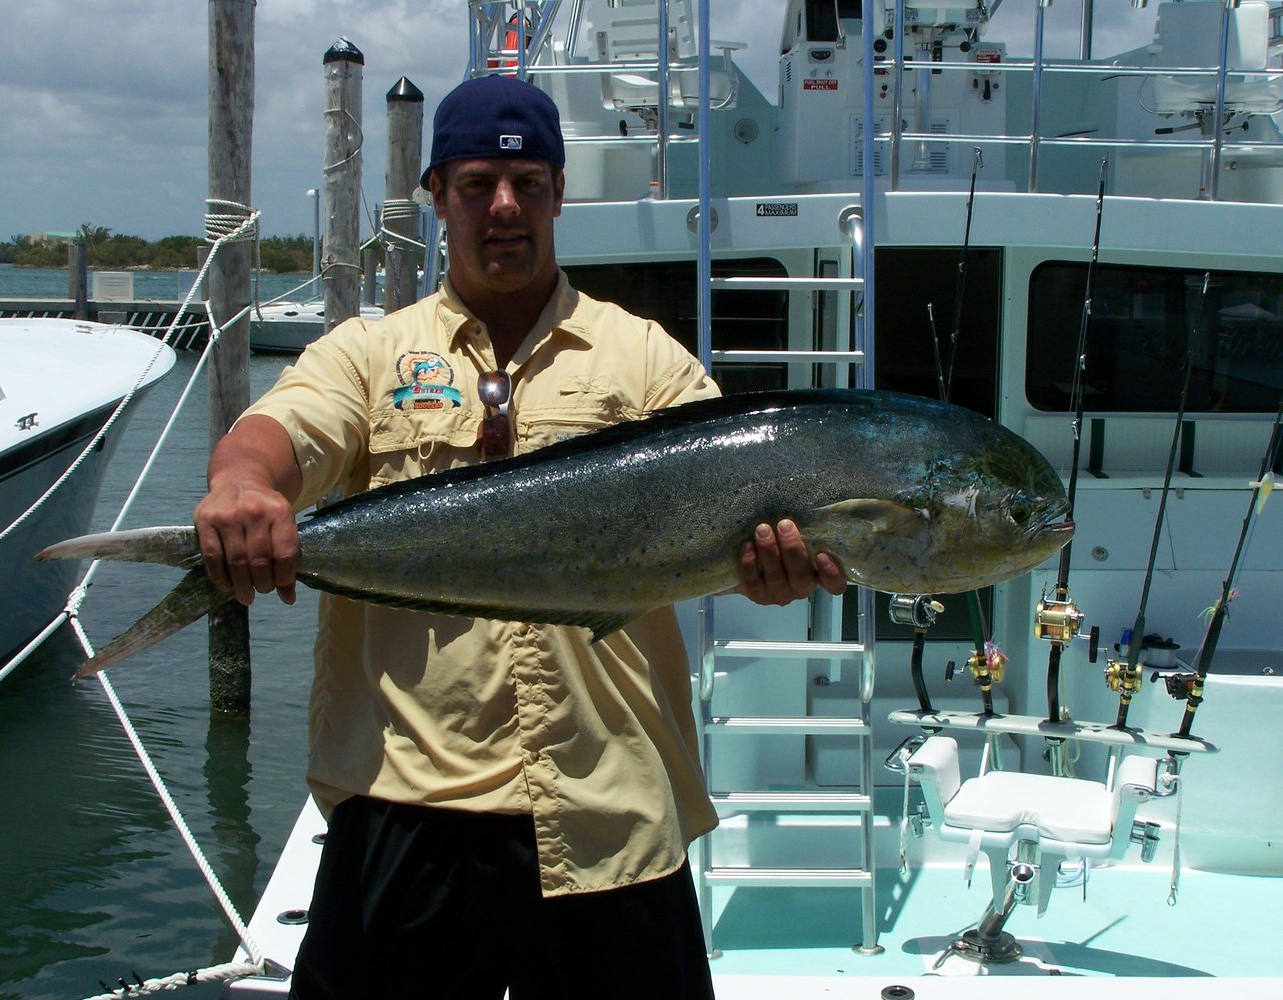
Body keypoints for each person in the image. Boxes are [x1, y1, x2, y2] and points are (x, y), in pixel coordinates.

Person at [194, 75, 846, 999]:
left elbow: (738, 493)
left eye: (528, 184)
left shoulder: (645, 357)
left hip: (608, 810)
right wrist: (240, 482)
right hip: (408, 804)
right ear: (437, 199)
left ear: (557, 195)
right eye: (476, 185)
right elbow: (285, 428)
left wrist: (772, 568)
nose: (504, 207)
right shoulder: (369, 353)